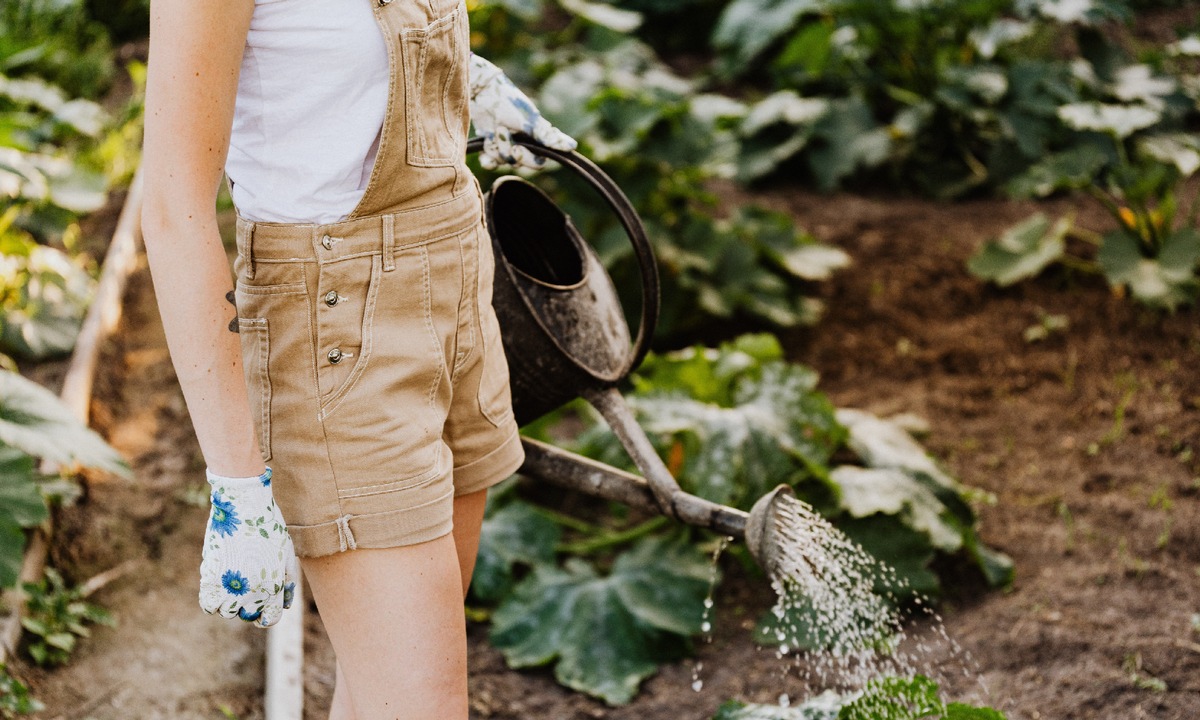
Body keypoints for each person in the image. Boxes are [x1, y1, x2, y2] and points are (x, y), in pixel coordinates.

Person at [140, 1, 576, 717]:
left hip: (455, 291)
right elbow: (172, 202)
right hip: (339, 331)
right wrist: (238, 481)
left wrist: (463, 80)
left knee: (381, 693)